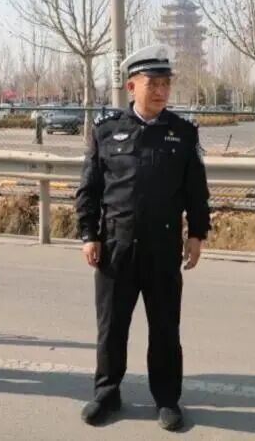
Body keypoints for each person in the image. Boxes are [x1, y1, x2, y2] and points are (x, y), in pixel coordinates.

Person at [75, 44, 210, 432]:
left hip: (163, 248)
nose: (161, 91)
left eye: (166, 84)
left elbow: (196, 191)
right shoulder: (106, 131)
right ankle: (106, 394)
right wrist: (88, 234)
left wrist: (197, 233)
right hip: (115, 247)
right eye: (153, 84)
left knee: (165, 328)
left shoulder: (182, 133)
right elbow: (89, 189)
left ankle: (167, 399)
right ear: (132, 86)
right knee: (111, 327)